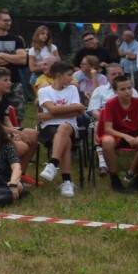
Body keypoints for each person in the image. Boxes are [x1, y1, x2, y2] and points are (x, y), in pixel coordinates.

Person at [95, 74, 138, 193]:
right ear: (115, 91)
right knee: (107, 141)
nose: (127, 91)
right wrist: (125, 136)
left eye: (129, 88)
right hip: (116, 134)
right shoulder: (110, 104)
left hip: (135, 134)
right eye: (123, 89)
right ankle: (114, 178)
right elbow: (108, 129)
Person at [36, 62, 84, 197]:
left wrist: (50, 115)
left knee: (64, 127)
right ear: (58, 75)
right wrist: (74, 108)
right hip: (49, 129)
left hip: (70, 126)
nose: (72, 79)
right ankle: (67, 181)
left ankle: (53, 164)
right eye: (69, 75)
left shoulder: (72, 89)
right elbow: (59, 109)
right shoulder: (44, 91)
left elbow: (76, 112)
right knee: (65, 140)